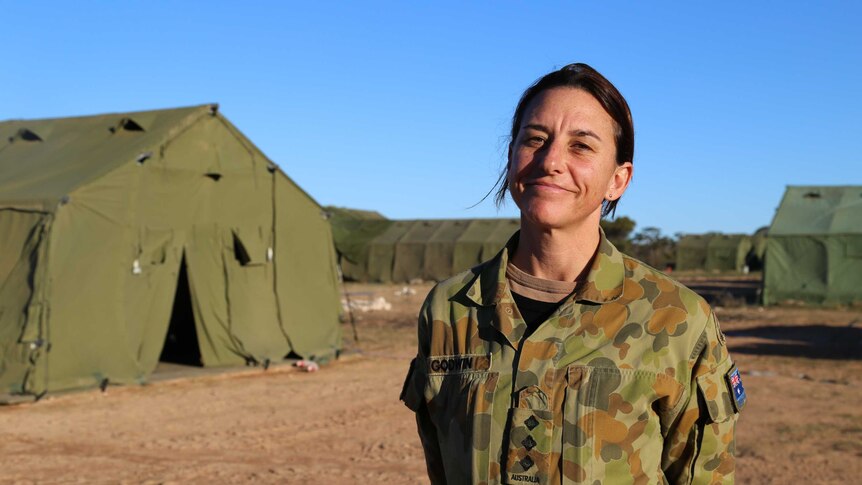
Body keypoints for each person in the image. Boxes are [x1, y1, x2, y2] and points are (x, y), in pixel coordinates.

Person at [401, 63, 744, 484]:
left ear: (618, 180)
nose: (550, 161)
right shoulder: (449, 310)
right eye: (535, 139)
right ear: (511, 157)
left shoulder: (677, 319)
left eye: (581, 146)